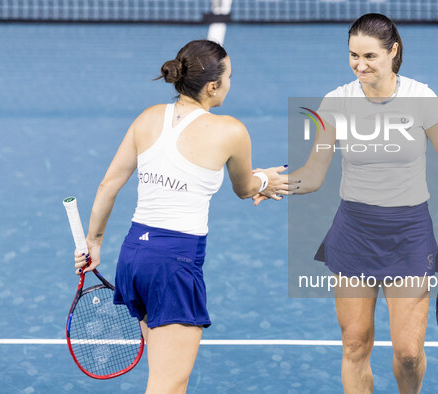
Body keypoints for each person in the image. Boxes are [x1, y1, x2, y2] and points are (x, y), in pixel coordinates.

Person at [256, 13, 438, 393]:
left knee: (409, 352)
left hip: (409, 234)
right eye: (353, 55)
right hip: (354, 233)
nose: (360, 65)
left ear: (393, 52)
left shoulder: (420, 98)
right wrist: (272, 182)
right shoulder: (336, 103)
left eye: (370, 56)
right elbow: (314, 173)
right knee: (355, 343)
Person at [73, 39, 290, 393]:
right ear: (212, 86)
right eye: (230, 76)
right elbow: (244, 188)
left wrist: (94, 242)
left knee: (164, 378)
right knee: (167, 386)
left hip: (134, 258)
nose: (232, 83)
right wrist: (265, 179)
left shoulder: (147, 118)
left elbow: (107, 186)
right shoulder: (231, 131)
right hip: (174, 264)